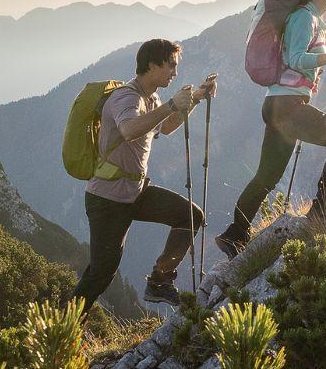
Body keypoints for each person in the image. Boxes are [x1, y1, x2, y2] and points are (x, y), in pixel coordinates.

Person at [217, 0, 326, 257]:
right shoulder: (305, 18)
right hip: (287, 106)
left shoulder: (312, 18)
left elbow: (304, 64)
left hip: (280, 104)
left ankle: (234, 234)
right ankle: (322, 210)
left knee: (267, 176)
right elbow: (295, 58)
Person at [71, 39, 217, 308]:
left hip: (134, 192)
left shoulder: (152, 99)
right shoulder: (126, 97)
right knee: (100, 275)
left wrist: (194, 99)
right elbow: (128, 130)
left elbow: (167, 126)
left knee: (191, 216)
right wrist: (172, 105)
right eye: (171, 65)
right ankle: (63, 329)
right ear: (152, 65)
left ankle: (160, 281)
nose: (174, 72)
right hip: (107, 199)